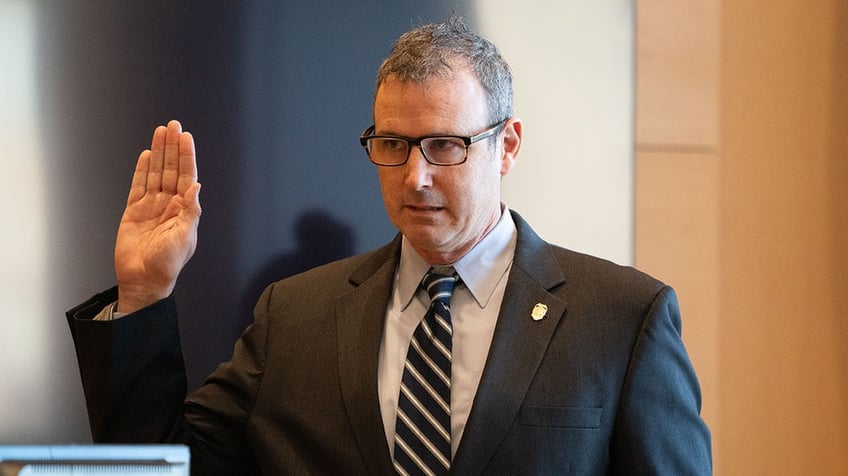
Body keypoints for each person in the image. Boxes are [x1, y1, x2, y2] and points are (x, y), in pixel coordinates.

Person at [67, 17, 712, 475]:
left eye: (444, 145)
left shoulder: (623, 321)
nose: (415, 176)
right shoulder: (296, 317)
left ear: (507, 145)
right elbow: (159, 466)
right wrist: (145, 294)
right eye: (393, 145)